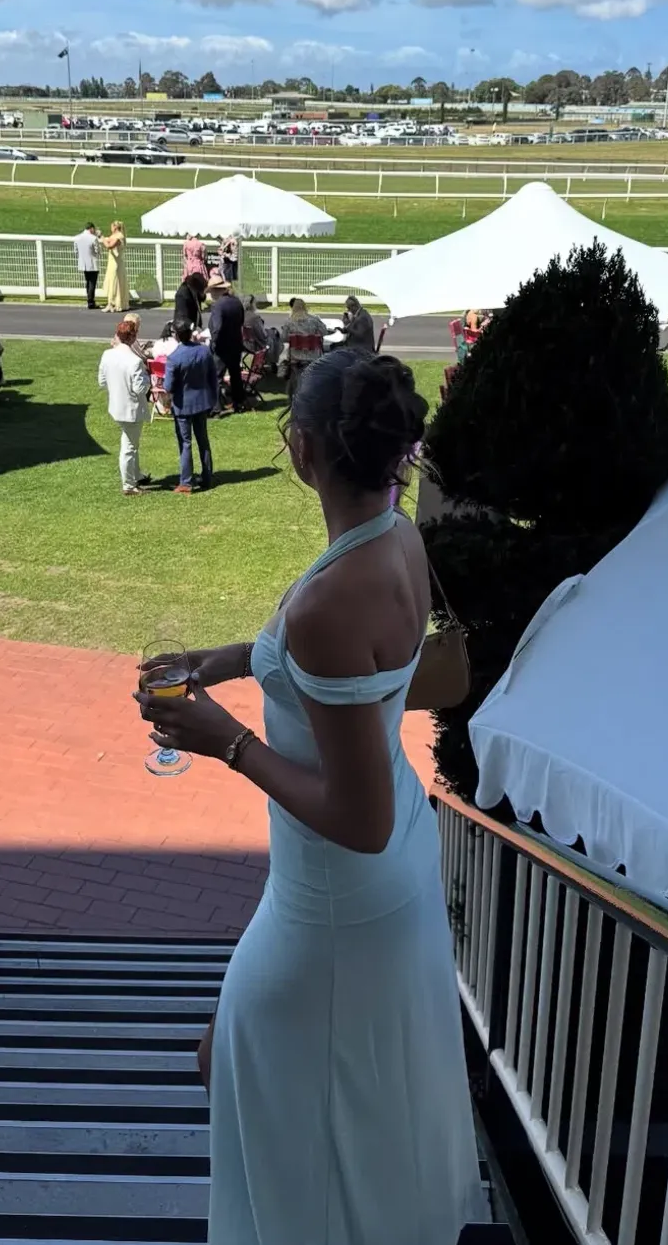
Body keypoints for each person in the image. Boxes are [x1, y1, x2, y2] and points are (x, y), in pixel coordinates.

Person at [134, 349, 484, 1245]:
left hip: (341, 879)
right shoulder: (394, 534)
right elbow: (341, 666)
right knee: (345, 1101)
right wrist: (213, 664)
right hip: (367, 866)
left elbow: (356, 821)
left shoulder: (332, 598)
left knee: (246, 1067)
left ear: (303, 451)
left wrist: (230, 742)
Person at [98, 319, 153, 495]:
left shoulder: (107, 354)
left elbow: (102, 381)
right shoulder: (134, 361)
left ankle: (136, 474)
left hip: (116, 405)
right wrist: (148, 379)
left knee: (131, 444)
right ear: (133, 336)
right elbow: (140, 388)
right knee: (129, 447)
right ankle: (129, 485)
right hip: (131, 409)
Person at [163, 320, 218, 493]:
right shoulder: (204, 351)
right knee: (203, 440)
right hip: (201, 403)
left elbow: (168, 386)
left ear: (177, 335)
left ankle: (186, 482)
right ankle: (207, 476)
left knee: (185, 442)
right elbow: (212, 377)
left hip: (183, 406)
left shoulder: (174, 357)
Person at [210, 282, 246, 412]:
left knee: (216, 376)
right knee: (235, 374)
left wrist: (213, 342)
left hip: (222, 346)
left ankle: (216, 407)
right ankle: (239, 403)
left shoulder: (218, 305)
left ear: (216, 291)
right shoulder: (236, 302)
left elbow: (217, 327)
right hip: (235, 344)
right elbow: (242, 321)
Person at [101, 221, 129, 313]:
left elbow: (109, 246)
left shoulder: (119, 237)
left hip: (116, 263)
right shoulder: (117, 236)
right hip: (114, 262)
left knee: (114, 282)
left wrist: (102, 238)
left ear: (115, 227)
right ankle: (113, 303)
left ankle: (113, 304)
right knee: (113, 281)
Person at [73, 221, 101, 310]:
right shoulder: (93, 238)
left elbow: (75, 251)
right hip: (92, 264)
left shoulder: (77, 238)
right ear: (92, 229)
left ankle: (89, 300)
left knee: (87, 282)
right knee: (92, 283)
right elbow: (98, 251)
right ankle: (91, 301)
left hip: (83, 263)